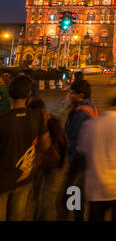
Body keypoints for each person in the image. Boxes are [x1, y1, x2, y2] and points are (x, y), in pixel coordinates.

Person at [0, 75, 51, 221]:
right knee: (17, 216)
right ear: (29, 94)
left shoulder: (2, 120)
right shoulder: (37, 117)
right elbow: (46, 145)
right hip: (24, 177)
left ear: (9, 94)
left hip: (2, 180)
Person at [28, 99, 69, 221]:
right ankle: (39, 216)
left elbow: (59, 145)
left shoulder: (52, 123)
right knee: (37, 195)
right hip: (42, 165)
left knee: (48, 196)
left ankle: (45, 216)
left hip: (54, 166)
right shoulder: (46, 122)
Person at [64, 79, 98, 221]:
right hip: (86, 155)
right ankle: (78, 215)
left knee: (73, 189)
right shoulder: (91, 106)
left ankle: (75, 216)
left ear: (81, 94)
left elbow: (70, 134)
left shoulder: (80, 112)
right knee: (78, 189)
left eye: (72, 93)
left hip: (78, 156)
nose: (69, 95)